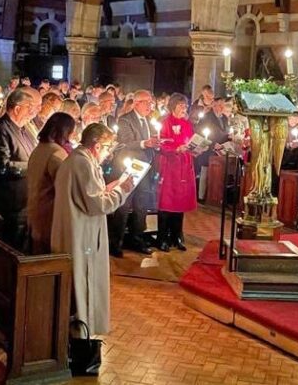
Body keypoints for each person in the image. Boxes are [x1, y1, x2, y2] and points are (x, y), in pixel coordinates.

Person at [51, 123, 134, 338]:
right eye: (107, 147)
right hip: (81, 235)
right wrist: (121, 192)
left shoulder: (82, 160)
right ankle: (80, 336)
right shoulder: (82, 163)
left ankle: (82, 332)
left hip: (81, 229)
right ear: (97, 145)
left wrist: (109, 188)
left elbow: (90, 194)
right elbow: (97, 205)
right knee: (81, 284)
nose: (108, 153)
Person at [0, 87, 41, 250]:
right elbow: (2, 167)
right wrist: (34, 166)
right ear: (17, 108)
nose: (34, 113)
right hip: (10, 202)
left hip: (25, 200)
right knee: (12, 248)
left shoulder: (24, 130)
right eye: (31, 108)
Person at [109, 90, 161, 257]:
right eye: (147, 102)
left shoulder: (148, 120)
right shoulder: (125, 119)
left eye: (151, 103)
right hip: (129, 167)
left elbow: (151, 141)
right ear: (137, 103)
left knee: (142, 205)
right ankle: (115, 243)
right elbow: (126, 142)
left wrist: (157, 143)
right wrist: (146, 143)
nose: (150, 106)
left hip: (145, 168)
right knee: (123, 206)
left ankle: (137, 239)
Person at [27, 112, 77, 255]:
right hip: (49, 212)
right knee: (48, 256)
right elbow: (67, 185)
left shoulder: (39, 148)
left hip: (35, 207)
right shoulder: (57, 153)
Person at [156, 93, 197, 252]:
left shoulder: (187, 124)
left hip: (184, 167)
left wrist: (196, 149)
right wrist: (175, 149)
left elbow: (190, 141)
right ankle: (162, 237)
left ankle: (177, 236)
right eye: (181, 105)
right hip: (170, 166)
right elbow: (161, 145)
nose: (184, 109)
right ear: (173, 106)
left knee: (181, 202)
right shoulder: (165, 122)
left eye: (185, 106)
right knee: (167, 202)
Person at [195, 97, 231, 200]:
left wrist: (228, 138)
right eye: (219, 105)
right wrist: (213, 144)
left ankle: (215, 196)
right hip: (208, 150)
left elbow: (225, 132)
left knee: (218, 175)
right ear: (214, 106)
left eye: (222, 105)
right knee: (205, 173)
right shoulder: (206, 117)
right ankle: (201, 197)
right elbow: (201, 133)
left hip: (220, 151)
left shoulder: (224, 118)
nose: (221, 107)